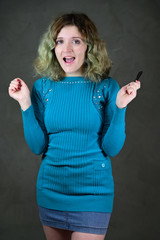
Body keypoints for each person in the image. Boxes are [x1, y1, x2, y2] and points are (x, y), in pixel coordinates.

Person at [8, 13, 140, 240]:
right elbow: (38, 146)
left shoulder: (106, 87)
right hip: (51, 191)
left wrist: (120, 107)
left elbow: (112, 149)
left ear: (89, 47)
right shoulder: (43, 88)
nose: (66, 48)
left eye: (76, 41)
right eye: (60, 41)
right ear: (52, 47)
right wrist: (25, 102)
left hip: (93, 194)